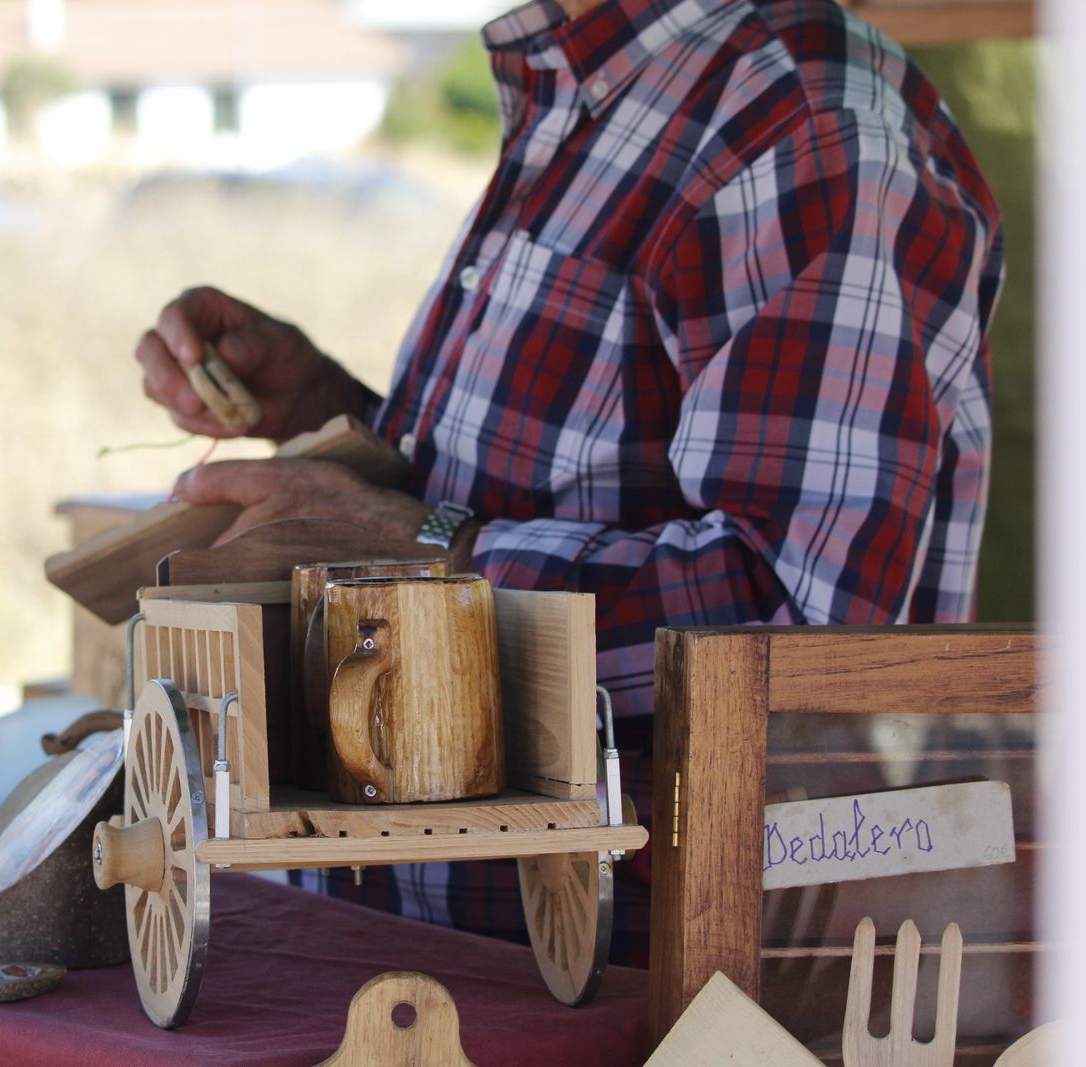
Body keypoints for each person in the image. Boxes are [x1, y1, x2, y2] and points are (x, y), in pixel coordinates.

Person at [137, 0, 1004, 952]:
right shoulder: (592, 92)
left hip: (649, 988)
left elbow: (799, 643)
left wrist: (417, 552)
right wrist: (320, 405)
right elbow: (529, 489)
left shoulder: (800, 120)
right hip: (431, 952)